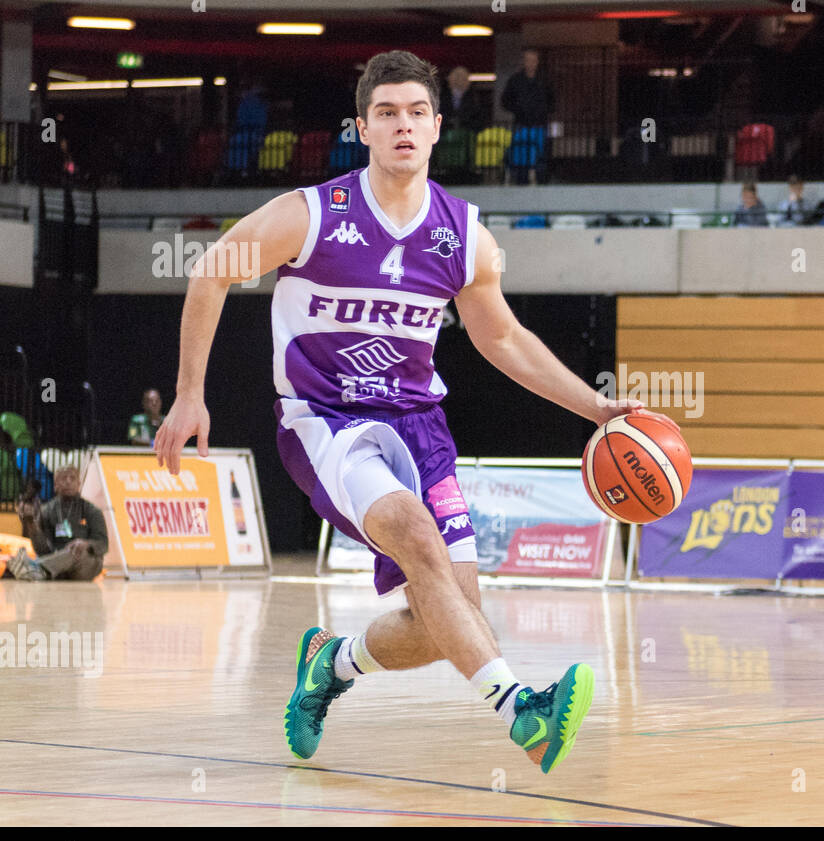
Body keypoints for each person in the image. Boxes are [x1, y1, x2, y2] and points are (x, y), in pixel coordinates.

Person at [152, 50, 666, 775]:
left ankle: (331, 666)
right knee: (415, 535)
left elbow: (504, 338)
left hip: (420, 429)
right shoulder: (312, 214)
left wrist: (595, 408)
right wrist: (189, 391)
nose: (403, 125)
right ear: (362, 127)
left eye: (416, 113)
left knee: (448, 619)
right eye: (387, 113)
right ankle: (524, 713)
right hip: (325, 418)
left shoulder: (463, 235)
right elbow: (211, 271)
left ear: (436, 128)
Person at [6, 466, 108, 582]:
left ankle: (35, 568)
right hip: (58, 565)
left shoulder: (92, 511)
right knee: (58, 556)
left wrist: (86, 544)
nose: (68, 481)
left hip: (85, 565)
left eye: (72, 478)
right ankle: (39, 569)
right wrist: (31, 524)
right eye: (64, 478)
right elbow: (42, 550)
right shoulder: (47, 510)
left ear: (79, 484)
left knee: (76, 551)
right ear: (55, 485)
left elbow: (103, 545)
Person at [500, 48, 554, 185]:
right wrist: (518, 109)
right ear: (524, 62)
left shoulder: (544, 80)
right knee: (521, 153)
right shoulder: (515, 80)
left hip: (539, 124)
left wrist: (543, 110)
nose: (530, 63)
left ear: (537, 62)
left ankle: (541, 179)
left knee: (540, 153)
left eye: (533, 60)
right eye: (528, 60)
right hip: (521, 124)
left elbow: (552, 100)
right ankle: (521, 180)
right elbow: (505, 100)